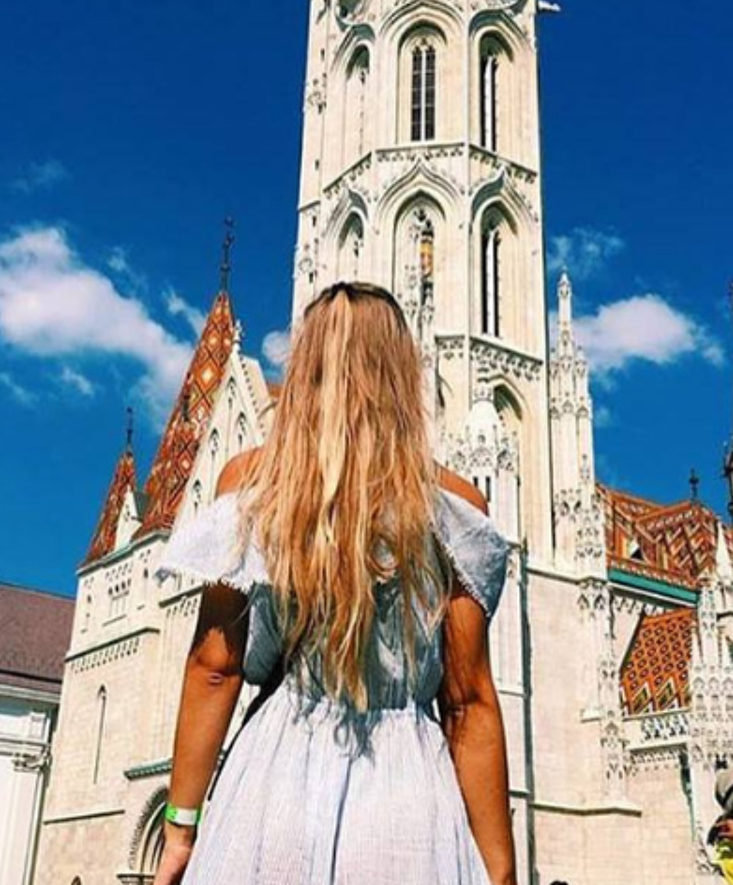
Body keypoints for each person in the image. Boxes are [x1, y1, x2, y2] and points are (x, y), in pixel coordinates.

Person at [153, 282, 516, 885]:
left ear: (304, 370)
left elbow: (214, 667)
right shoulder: (456, 506)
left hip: (273, 784)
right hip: (407, 800)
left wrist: (180, 826)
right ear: (403, 376)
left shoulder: (252, 484)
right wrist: (499, 869)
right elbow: (468, 703)